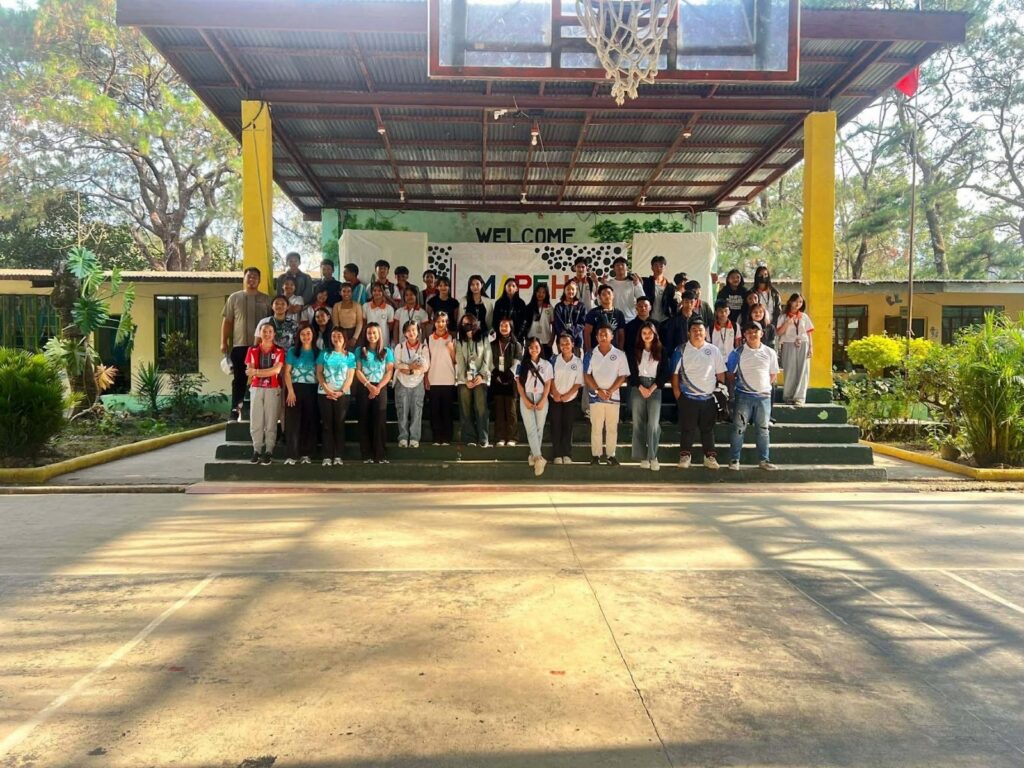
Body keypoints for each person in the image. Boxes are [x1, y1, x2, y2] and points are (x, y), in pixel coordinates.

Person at [672, 318, 726, 470]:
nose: (698, 333)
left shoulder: (713, 350)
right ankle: (685, 456)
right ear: (689, 333)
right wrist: (678, 395)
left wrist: (720, 392)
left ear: (705, 332)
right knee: (687, 429)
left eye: (700, 330)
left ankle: (709, 457)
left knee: (708, 429)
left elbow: (720, 373)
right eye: (694, 330)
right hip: (687, 398)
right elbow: (674, 375)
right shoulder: (680, 350)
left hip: (709, 398)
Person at [221, 267, 272, 422]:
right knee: (239, 380)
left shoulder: (267, 299)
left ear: (259, 280)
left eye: (255, 277)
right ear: (244, 279)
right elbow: (227, 321)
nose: (252, 279)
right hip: (240, 346)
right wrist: (223, 341)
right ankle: (235, 411)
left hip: (262, 347)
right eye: (249, 276)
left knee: (263, 379)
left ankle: (264, 413)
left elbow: (272, 322)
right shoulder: (234, 298)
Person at [727, 322, 780, 470]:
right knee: (739, 429)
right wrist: (735, 392)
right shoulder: (736, 353)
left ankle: (764, 460)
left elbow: (773, 374)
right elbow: (730, 375)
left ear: (761, 333)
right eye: (749, 332)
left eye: (755, 331)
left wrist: (761, 388)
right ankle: (734, 460)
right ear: (744, 335)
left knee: (763, 430)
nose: (752, 334)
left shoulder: (770, 352)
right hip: (743, 397)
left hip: (764, 398)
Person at [583, 324, 630, 466]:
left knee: (612, 428)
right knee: (596, 427)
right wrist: (598, 390)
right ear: (596, 337)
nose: (603, 337)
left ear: (612, 336)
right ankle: (596, 455)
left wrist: (610, 391)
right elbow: (586, 375)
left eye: (606, 334)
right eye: (600, 335)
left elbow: (623, 375)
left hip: (613, 397)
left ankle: (611, 455)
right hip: (595, 396)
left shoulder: (620, 354)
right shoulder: (590, 354)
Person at [628, 320, 669, 470]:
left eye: (649, 333)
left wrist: (651, 388)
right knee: (638, 422)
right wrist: (641, 387)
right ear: (640, 335)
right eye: (644, 333)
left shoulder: (661, 350)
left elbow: (665, 373)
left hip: (655, 387)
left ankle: (653, 455)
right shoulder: (634, 351)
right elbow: (631, 372)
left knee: (653, 423)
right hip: (638, 386)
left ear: (654, 334)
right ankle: (642, 456)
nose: (647, 335)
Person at [244, 322, 285, 465]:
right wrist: (259, 372)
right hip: (256, 388)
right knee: (256, 420)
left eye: (270, 331)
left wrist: (256, 371)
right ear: (260, 333)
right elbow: (249, 371)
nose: (267, 334)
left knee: (271, 421)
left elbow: (276, 370)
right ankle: (256, 450)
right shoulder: (252, 350)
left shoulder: (279, 351)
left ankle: (268, 451)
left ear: (274, 334)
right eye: (264, 331)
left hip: (273, 388)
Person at [355, 323, 395, 464]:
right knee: (364, 420)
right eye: (369, 333)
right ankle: (366, 454)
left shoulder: (387, 351)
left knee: (379, 421)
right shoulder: (360, 350)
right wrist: (369, 386)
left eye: (374, 333)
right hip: (364, 387)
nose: (371, 336)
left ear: (379, 334)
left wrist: (377, 387)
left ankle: (380, 454)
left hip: (380, 387)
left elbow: (389, 372)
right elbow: (358, 370)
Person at [316, 327, 356, 467]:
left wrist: (341, 391)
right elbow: (319, 373)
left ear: (344, 338)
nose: (336, 338)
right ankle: (327, 456)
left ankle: (338, 455)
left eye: (339, 336)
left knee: (339, 425)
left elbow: (350, 377)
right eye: (334, 336)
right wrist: (327, 389)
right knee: (327, 425)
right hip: (324, 394)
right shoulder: (324, 354)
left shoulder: (350, 356)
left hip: (342, 395)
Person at [516, 337, 554, 476]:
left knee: (539, 427)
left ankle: (533, 454)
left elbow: (548, 383)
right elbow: (519, 383)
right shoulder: (521, 364)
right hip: (526, 396)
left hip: (541, 396)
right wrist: (525, 399)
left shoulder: (547, 364)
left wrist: (544, 399)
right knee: (530, 427)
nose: (534, 349)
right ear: (527, 349)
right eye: (531, 347)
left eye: (536, 346)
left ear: (540, 348)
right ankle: (539, 458)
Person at [283, 325, 319, 465]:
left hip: (312, 389)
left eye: (308, 333)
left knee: (309, 421)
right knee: (293, 422)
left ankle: (306, 454)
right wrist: (291, 391)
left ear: (313, 335)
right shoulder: (293, 351)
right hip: (294, 389)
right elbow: (287, 372)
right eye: (303, 334)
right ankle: (291, 455)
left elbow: (320, 373)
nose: (306, 337)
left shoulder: (318, 352)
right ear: (298, 336)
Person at [456, 313, 492, 447]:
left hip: (480, 378)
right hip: (464, 379)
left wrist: (481, 375)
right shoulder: (460, 341)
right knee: (465, 407)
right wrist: (465, 379)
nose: (467, 327)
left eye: (469, 324)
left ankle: (483, 437)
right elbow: (460, 361)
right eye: (464, 324)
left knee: (481, 407)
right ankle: (469, 437)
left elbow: (488, 358)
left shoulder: (483, 339)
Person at [548, 332, 584, 465]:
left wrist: (568, 395)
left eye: (567, 343)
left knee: (568, 426)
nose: (565, 346)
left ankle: (567, 454)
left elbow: (578, 382)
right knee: (556, 426)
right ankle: (557, 454)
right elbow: (550, 378)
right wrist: (555, 392)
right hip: (555, 398)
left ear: (573, 344)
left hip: (570, 398)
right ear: (558, 346)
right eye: (562, 344)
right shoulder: (553, 360)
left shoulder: (578, 362)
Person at [393, 320, 430, 448]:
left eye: (414, 330)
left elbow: (425, 366)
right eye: (408, 330)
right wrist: (411, 367)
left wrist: (410, 369)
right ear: (404, 333)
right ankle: (403, 437)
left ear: (419, 331)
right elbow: (397, 364)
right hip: (402, 382)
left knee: (417, 411)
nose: (411, 333)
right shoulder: (399, 347)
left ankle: (414, 438)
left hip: (418, 382)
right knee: (402, 411)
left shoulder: (424, 348)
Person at [776, 293, 814, 405]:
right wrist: (787, 323)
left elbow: (809, 333)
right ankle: (788, 396)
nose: (798, 304)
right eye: (796, 301)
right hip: (788, 344)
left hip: (803, 344)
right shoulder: (783, 317)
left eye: (800, 302)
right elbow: (779, 333)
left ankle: (799, 398)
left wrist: (811, 347)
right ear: (790, 302)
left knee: (803, 371)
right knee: (790, 370)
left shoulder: (804, 316)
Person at [490, 318, 523, 447]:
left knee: (511, 410)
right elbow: (489, 360)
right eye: (501, 325)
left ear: (511, 328)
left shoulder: (516, 344)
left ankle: (512, 437)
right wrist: (496, 374)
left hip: (510, 380)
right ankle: (499, 437)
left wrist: (509, 374)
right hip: (497, 379)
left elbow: (518, 361)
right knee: (499, 409)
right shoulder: (493, 344)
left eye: (506, 326)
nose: (503, 328)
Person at [426, 311, 457, 445]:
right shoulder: (429, 339)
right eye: (438, 321)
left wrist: (451, 350)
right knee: (434, 411)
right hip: (433, 379)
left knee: (447, 411)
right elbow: (426, 361)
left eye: (443, 321)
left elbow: (456, 361)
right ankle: (436, 437)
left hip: (448, 379)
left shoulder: (452, 338)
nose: (440, 324)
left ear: (447, 323)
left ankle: (447, 438)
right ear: (434, 323)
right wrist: (426, 378)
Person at [583, 284, 626, 353]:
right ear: (600, 297)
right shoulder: (593, 313)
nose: (607, 296)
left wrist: (620, 350)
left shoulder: (619, 314)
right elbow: (587, 333)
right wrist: (588, 350)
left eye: (609, 293)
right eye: (604, 294)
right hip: (596, 351)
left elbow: (621, 334)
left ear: (613, 295)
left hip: (613, 352)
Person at [607, 256, 646, 322]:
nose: (620, 267)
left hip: (630, 319)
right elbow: (602, 301)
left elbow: (642, 299)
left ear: (627, 268)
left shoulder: (633, 282)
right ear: (613, 268)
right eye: (617, 265)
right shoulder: (609, 284)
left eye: (622, 264)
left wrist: (638, 285)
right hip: (613, 319)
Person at [662, 290, 700, 354]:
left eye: (692, 302)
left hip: (695, 353)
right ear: (682, 302)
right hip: (678, 353)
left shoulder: (698, 318)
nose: (689, 305)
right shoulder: (674, 320)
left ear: (695, 302)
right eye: (686, 302)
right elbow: (669, 341)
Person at [553, 281, 586, 354]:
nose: (570, 291)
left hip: (576, 340)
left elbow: (582, 323)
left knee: (576, 360)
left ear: (576, 291)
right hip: (562, 341)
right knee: (562, 360)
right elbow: (557, 323)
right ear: (564, 290)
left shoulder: (581, 306)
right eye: (568, 289)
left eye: (573, 289)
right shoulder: (558, 306)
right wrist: (565, 334)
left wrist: (571, 332)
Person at [642, 255, 676, 324]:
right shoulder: (645, 282)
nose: (658, 268)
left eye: (661, 266)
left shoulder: (670, 287)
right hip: (649, 319)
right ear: (652, 268)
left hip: (665, 320)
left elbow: (672, 304)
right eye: (656, 265)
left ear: (665, 268)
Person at [523, 283, 555, 356]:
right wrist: (527, 340)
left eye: (543, 292)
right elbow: (524, 326)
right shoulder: (528, 308)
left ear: (546, 294)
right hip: (531, 342)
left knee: (546, 362)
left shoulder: (549, 308)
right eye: (539, 292)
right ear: (535, 293)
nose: (541, 294)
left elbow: (554, 326)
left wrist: (552, 340)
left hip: (546, 342)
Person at [363, 281, 396, 349]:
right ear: (371, 292)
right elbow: (364, 324)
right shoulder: (365, 306)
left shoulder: (389, 308)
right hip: (370, 339)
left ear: (383, 293)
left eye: (379, 291)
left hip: (384, 340)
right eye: (374, 290)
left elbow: (390, 327)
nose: (377, 293)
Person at [330, 282, 364, 348]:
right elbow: (336, 323)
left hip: (355, 333)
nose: (346, 294)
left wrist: (355, 338)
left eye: (349, 291)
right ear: (340, 293)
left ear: (352, 293)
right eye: (344, 291)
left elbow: (359, 323)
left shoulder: (357, 305)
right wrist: (339, 336)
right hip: (341, 333)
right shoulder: (336, 306)